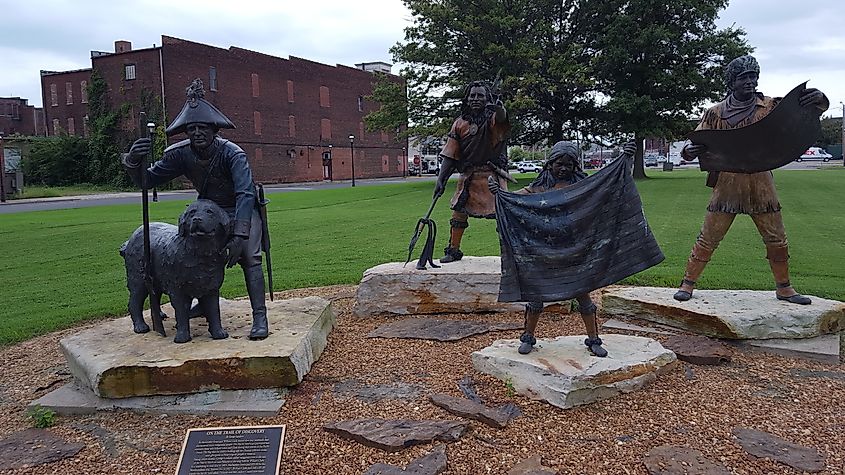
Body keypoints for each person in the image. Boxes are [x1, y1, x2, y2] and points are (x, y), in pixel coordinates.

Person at [674, 55, 829, 304]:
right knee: (709, 235)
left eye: (753, 76)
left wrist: (820, 99)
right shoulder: (715, 113)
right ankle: (688, 284)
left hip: (761, 182)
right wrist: (687, 151)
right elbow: (695, 140)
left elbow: (806, 112)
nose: (749, 81)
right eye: (743, 77)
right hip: (727, 183)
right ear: (731, 82)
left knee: (776, 237)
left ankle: (784, 287)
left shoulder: (770, 106)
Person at [122, 79, 269, 340]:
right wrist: (133, 160)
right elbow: (147, 180)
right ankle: (201, 301)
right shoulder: (180, 154)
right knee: (189, 255)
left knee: (249, 257)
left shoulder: (233, 154)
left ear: (214, 130)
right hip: (208, 214)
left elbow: (245, 194)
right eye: (192, 128)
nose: (197, 133)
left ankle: (260, 316)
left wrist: (238, 235)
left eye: (203, 127)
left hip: (239, 211)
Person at [489, 140, 637, 357]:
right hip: (544, 250)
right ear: (550, 164)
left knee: (584, 296)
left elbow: (612, 187)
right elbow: (519, 196)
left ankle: (593, 339)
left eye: (569, 164)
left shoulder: (584, 187)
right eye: (559, 164)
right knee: (536, 295)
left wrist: (628, 160)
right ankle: (528, 336)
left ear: (575, 166)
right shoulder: (540, 187)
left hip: (576, 249)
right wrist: (500, 192)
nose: (564, 168)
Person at [433, 80, 510, 263]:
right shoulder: (459, 123)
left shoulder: (493, 120)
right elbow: (451, 153)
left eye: (480, 95)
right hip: (469, 176)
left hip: (492, 176)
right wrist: (441, 179)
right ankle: (453, 250)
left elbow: (502, 121)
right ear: (467, 99)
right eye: (472, 95)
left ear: (487, 98)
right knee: (458, 213)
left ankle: (509, 252)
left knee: (502, 215)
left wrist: (500, 108)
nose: (475, 99)